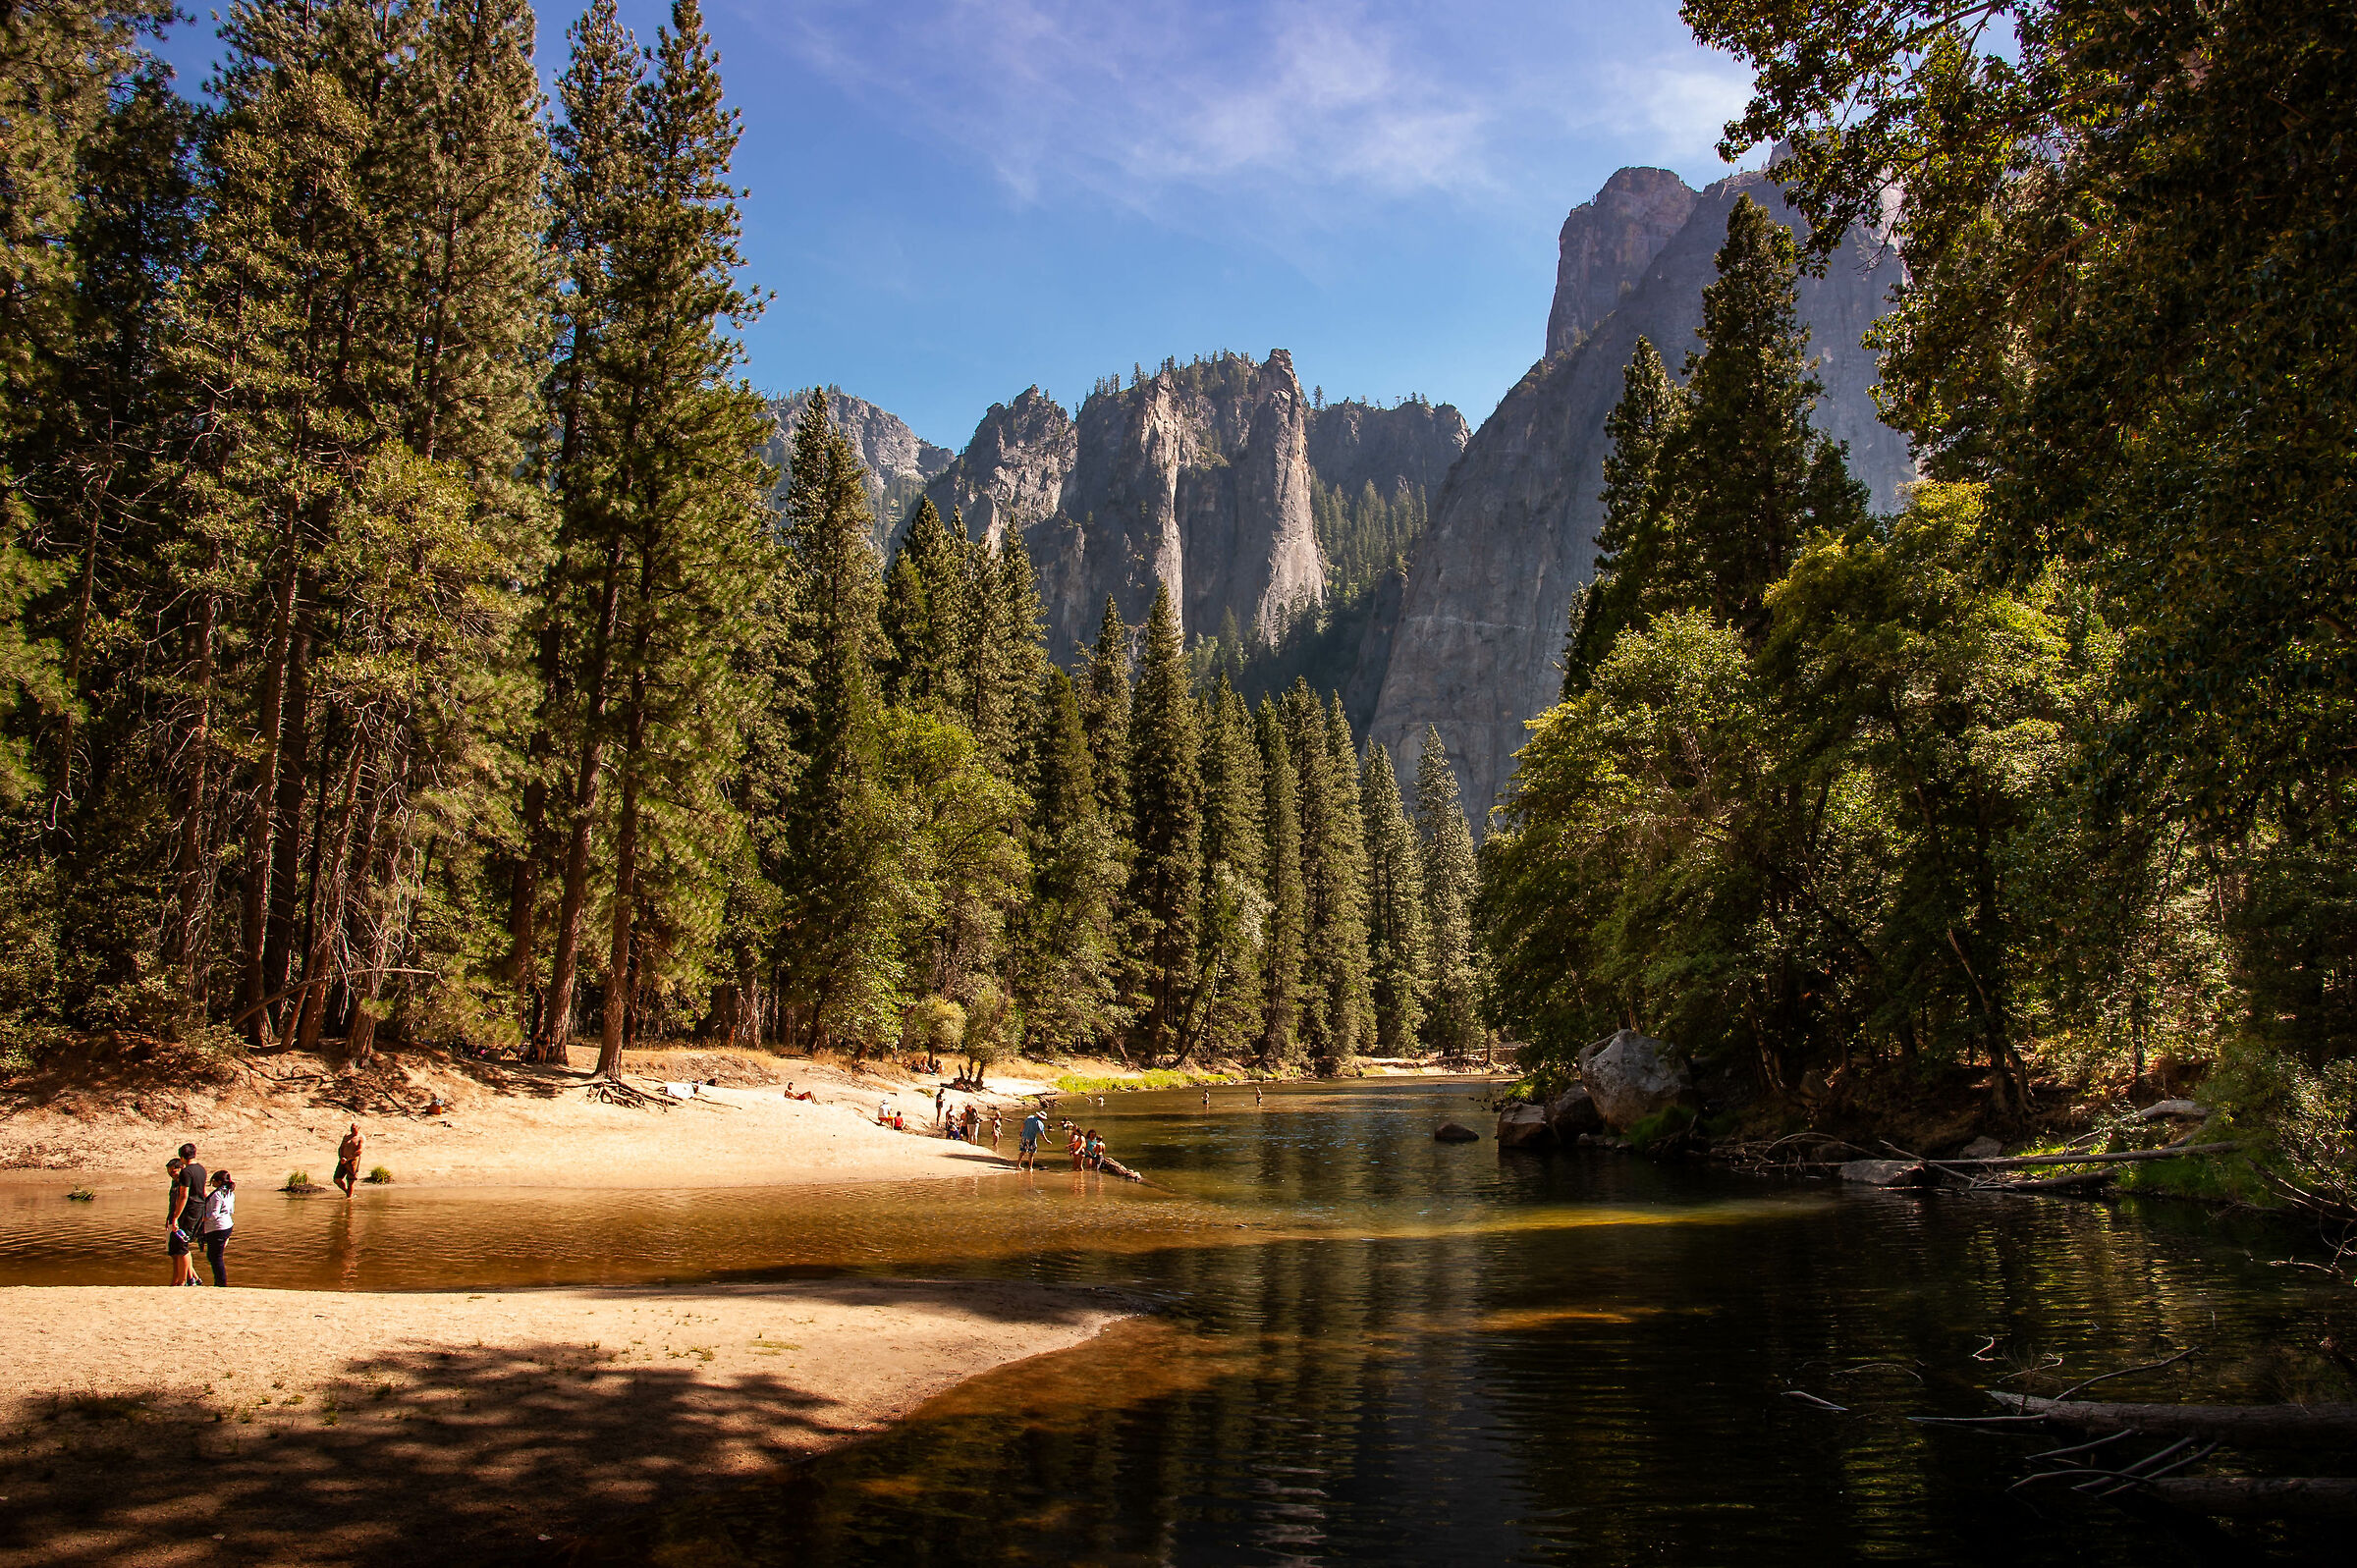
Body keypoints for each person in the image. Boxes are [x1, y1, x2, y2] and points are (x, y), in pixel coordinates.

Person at [198, 1169, 236, 1287]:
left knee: (215, 1257)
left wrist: (201, 1218)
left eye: (214, 1180)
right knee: (214, 1256)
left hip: (217, 1228)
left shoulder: (218, 1195)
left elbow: (214, 1214)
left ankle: (221, 1283)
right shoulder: (229, 1193)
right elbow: (231, 1210)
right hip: (227, 1226)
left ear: (219, 1181)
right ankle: (219, 1281)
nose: (212, 1183)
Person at [164, 1158, 194, 1285]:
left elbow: (184, 1199)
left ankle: (181, 1281)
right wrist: (169, 1218)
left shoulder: (185, 1183)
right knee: (174, 1252)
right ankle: (193, 1278)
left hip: (180, 1220)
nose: (171, 1174)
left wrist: (176, 1218)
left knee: (180, 1250)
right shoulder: (174, 1183)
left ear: (181, 1168)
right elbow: (172, 1203)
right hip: (173, 1219)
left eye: (173, 1171)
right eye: (169, 1172)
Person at [333, 1123, 364, 1198]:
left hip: (353, 1161)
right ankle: (348, 1192)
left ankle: (349, 1198)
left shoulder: (361, 1138)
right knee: (337, 1179)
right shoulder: (347, 1137)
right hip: (343, 1160)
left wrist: (349, 1158)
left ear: (358, 1128)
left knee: (350, 1180)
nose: (352, 1129)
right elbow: (341, 1148)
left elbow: (360, 1150)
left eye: (354, 1128)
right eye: (351, 1128)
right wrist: (341, 1157)